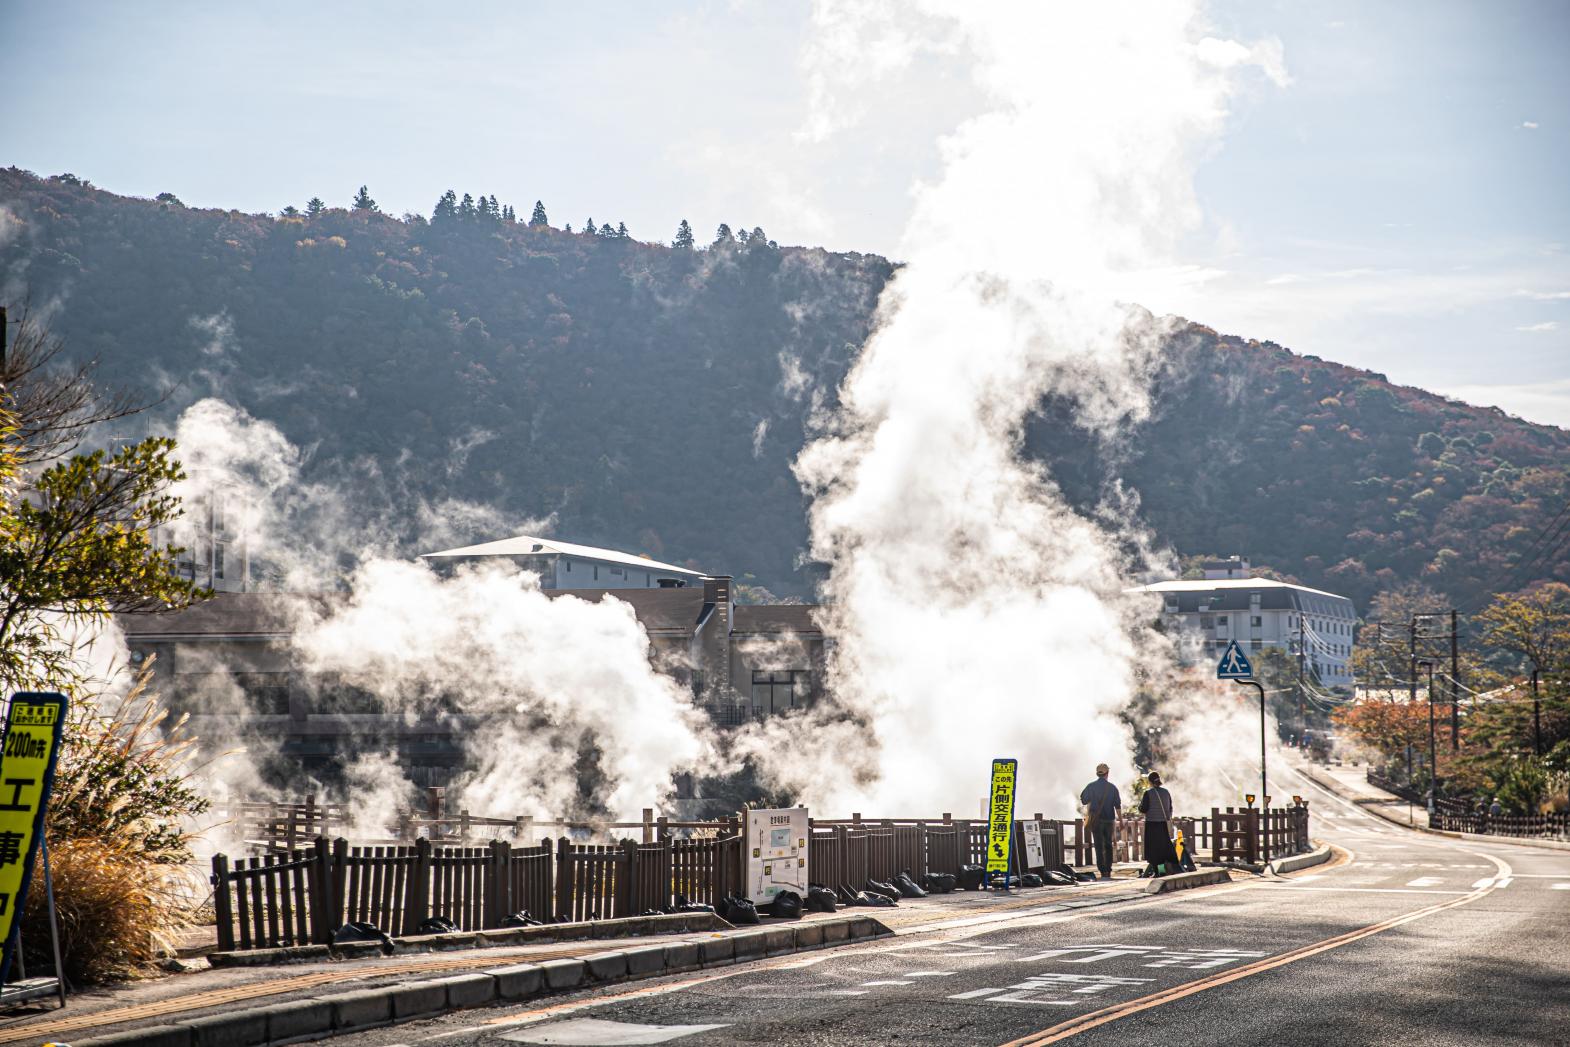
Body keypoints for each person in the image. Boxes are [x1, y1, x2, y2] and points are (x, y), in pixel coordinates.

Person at [1080, 763, 1121, 880]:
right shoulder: (1112, 788)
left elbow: (1083, 800)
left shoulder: (1091, 786)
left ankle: (1102, 870)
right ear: (1107, 773)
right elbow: (1117, 805)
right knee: (1108, 844)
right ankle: (1108, 870)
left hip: (1096, 821)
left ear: (1097, 773)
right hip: (1109, 820)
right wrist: (1121, 820)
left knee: (1098, 845)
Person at [1140, 772, 1179, 875]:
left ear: (1149, 781)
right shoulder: (1166, 792)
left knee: (1153, 850)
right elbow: (1170, 808)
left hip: (1152, 824)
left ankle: (1157, 872)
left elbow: (1143, 808)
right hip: (1163, 824)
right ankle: (1161, 872)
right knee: (1162, 849)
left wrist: (1139, 807)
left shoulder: (1148, 793)